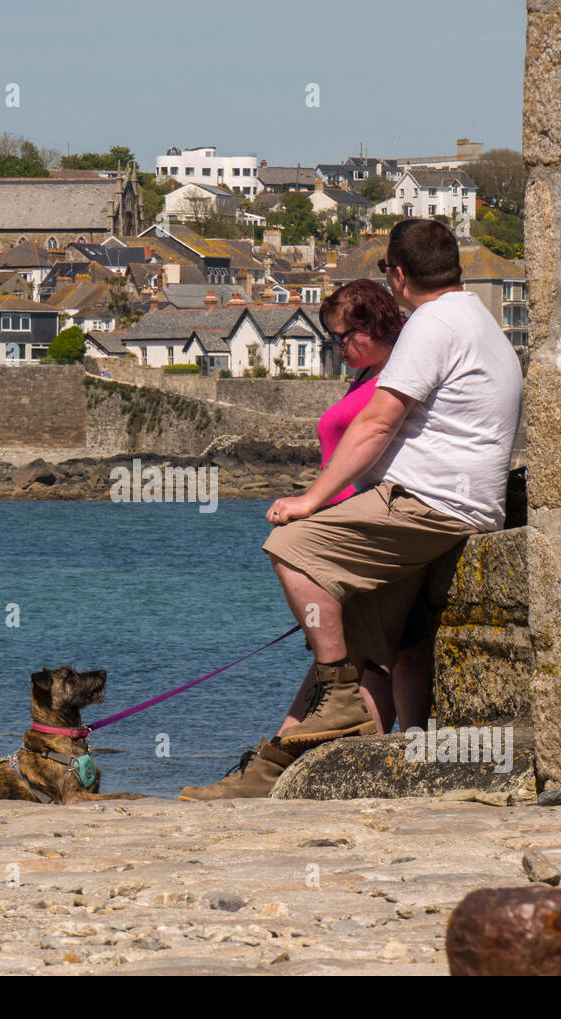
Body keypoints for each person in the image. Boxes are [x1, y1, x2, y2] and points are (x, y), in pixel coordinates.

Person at [260, 219, 523, 766]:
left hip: (428, 504)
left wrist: (309, 501)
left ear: (397, 275)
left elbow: (379, 423)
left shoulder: (432, 324)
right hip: (458, 502)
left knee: (291, 548)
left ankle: (336, 702)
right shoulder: (479, 319)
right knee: (368, 647)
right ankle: (358, 761)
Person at [178, 279, 433, 801]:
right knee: (352, 667)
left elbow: (380, 444)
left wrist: (314, 508)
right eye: (331, 339)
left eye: (343, 337)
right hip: (343, 525)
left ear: (375, 325)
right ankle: (289, 764)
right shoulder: (368, 371)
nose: (337, 348)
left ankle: (276, 767)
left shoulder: (400, 374)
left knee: (352, 669)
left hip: (360, 535)